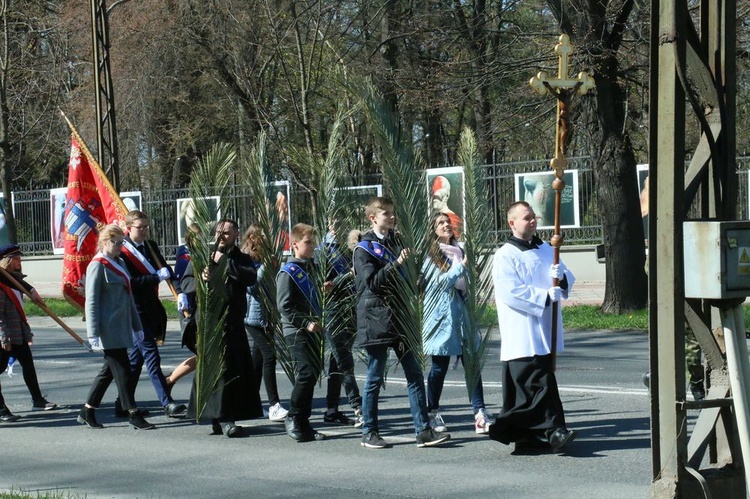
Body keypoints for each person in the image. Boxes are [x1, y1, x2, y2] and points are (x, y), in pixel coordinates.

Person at [353, 196, 451, 449]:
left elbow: (407, 277)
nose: (392, 217)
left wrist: (417, 279)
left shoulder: (398, 242)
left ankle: (423, 430)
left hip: (400, 315)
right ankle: (369, 431)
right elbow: (372, 283)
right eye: (386, 213)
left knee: (414, 373)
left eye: (392, 213)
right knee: (375, 375)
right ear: (373, 218)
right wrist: (397, 263)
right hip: (376, 317)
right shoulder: (363, 248)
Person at [489, 201, 576, 452]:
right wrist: (545, 296)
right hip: (523, 329)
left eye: (534, 217)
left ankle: (523, 437)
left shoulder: (547, 248)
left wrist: (562, 279)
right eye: (527, 218)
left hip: (544, 326)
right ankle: (555, 431)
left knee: (528, 389)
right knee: (538, 382)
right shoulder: (505, 254)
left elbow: (566, 275)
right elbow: (510, 291)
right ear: (512, 223)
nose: (533, 221)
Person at [184, 219, 263, 437]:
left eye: (227, 233)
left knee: (233, 368)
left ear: (236, 234)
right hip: (209, 321)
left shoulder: (241, 258)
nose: (221, 237)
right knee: (217, 369)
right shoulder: (203, 255)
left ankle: (224, 416)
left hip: (233, 320)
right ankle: (224, 418)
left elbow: (249, 277)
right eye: (219, 232)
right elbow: (186, 282)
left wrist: (225, 263)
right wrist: (201, 278)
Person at [77, 224, 154, 430]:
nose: (120, 246)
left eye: (122, 242)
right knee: (123, 371)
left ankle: (87, 410)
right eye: (116, 242)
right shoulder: (97, 265)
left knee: (109, 372)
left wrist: (137, 325)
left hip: (122, 327)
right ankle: (133, 413)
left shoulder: (119, 262)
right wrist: (93, 332)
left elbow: (129, 298)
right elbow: (91, 301)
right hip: (107, 328)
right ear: (104, 242)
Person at [422, 213, 491, 435]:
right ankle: (432, 412)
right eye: (440, 223)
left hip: (462, 313)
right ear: (433, 229)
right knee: (439, 367)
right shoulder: (431, 256)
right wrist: (461, 266)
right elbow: (441, 283)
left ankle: (479, 414)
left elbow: (465, 283)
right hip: (442, 316)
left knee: (471, 365)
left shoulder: (459, 251)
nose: (446, 225)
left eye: (447, 222)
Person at [119, 210, 186, 418]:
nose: (145, 231)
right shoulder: (123, 252)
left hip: (151, 308)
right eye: (141, 227)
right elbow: (132, 282)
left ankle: (121, 402)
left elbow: (166, 270)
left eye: (147, 227)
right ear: (129, 229)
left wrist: (180, 291)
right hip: (134, 310)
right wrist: (156, 278)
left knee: (135, 362)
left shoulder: (151, 246)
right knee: (151, 355)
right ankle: (167, 402)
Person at [277, 223, 327, 442]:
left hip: (314, 328)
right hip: (295, 330)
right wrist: (305, 322)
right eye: (308, 242)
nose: (312, 246)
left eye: (314, 242)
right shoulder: (288, 271)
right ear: (295, 244)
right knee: (306, 373)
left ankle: (304, 423)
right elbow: (284, 306)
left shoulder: (312, 267)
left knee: (312, 374)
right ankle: (294, 416)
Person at [0, 244, 57, 415]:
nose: (20, 261)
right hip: (6, 337)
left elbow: (19, 306)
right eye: (16, 258)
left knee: (28, 366)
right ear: (7, 261)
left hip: (18, 334)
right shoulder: (2, 285)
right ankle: (2, 410)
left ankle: (37, 400)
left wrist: (31, 290)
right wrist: (3, 336)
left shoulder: (14, 280)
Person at [242, 223, 289, 422]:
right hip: (253, 316)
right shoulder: (247, 258)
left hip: (268, 315)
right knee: (270, 356)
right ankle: (274, 405)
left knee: (258, 360)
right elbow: (251, 286)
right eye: (263, 236)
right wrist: (265, 268)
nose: (267, 239)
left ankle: (248, 402)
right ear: (252, 238)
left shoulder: (266, 257)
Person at [319, 224, 362, 427]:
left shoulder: (349, 251)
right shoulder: (322, 252)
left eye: (338, 223)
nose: (335, 227)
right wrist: (347, 276)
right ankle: (358, 407)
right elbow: (324, 285)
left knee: (337, 363)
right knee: (345, 362)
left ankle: (331, 409)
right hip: (334, 312)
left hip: (350, 311)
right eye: (331, 224)